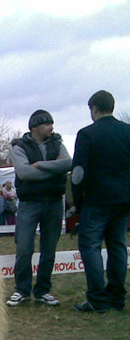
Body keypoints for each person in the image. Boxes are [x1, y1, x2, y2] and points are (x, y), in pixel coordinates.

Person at [71, 90, 130, 312]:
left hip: (97, 200)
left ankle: (97, 299)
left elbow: (77, 174)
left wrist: (77, 204)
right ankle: (117, 298)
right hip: (125, 199)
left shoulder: (87, 134)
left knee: (90, 246)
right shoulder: (128, 132)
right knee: (117, 245)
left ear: (94, 109)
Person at [6, 109, 71, 307]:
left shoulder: (58, 143)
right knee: (24, 248)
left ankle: (43, 291)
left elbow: (68, 163)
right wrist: (54, 169)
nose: (52, 127)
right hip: (29, 204)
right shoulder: (19, 147)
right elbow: (24, 173)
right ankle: (22, 290)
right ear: (35, 127)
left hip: (53, 203)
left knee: (48, 250)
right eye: (47, 124)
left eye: (52, 123)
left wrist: (39, 165)